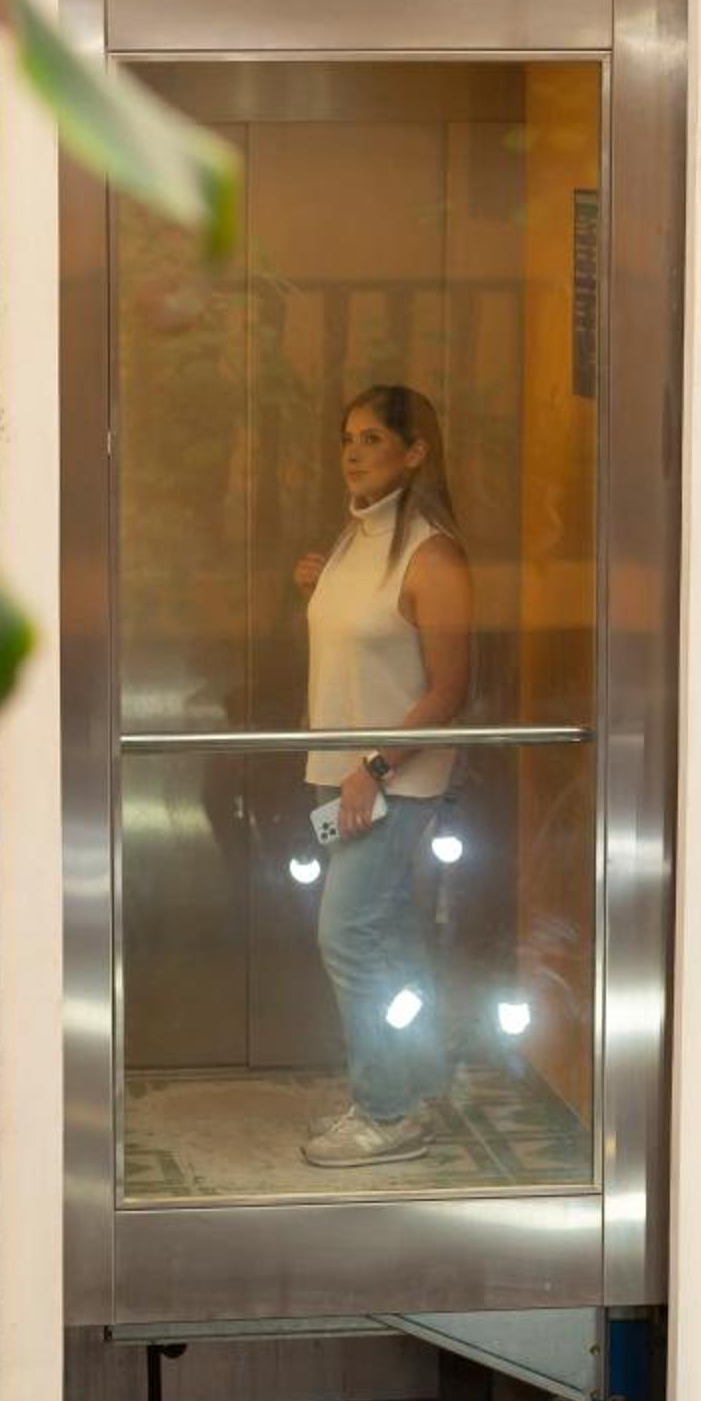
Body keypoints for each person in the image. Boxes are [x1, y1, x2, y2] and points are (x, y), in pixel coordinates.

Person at [291, 385, 473, 1168]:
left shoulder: (432, 554)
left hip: (393, 783)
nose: (354, 452)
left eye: (372, 438)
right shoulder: (352, 541)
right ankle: (419, 1088)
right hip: (344, 777)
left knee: (350, 935)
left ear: (415, 451)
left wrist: (374, 766)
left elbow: (450, 690)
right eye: (348, 438)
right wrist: (317, 589)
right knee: (390, 938)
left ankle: (387, 1109)